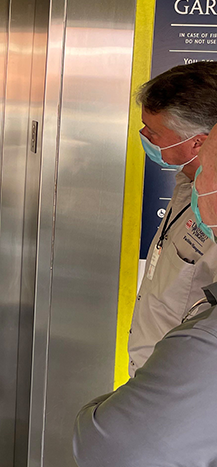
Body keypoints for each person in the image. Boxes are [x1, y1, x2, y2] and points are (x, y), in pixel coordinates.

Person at [73, 123, 217, 467]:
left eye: (208, 173)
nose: (198, 182)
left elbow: (105, 444)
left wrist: (104, 410)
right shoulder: (185, 190)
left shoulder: (205, 341)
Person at [128, 61, 217, 376]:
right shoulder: (186, 185)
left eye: (154, 131)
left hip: (179, 390)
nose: (143, 135)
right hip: (150, 376)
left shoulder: (214, 213)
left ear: (198, 142)